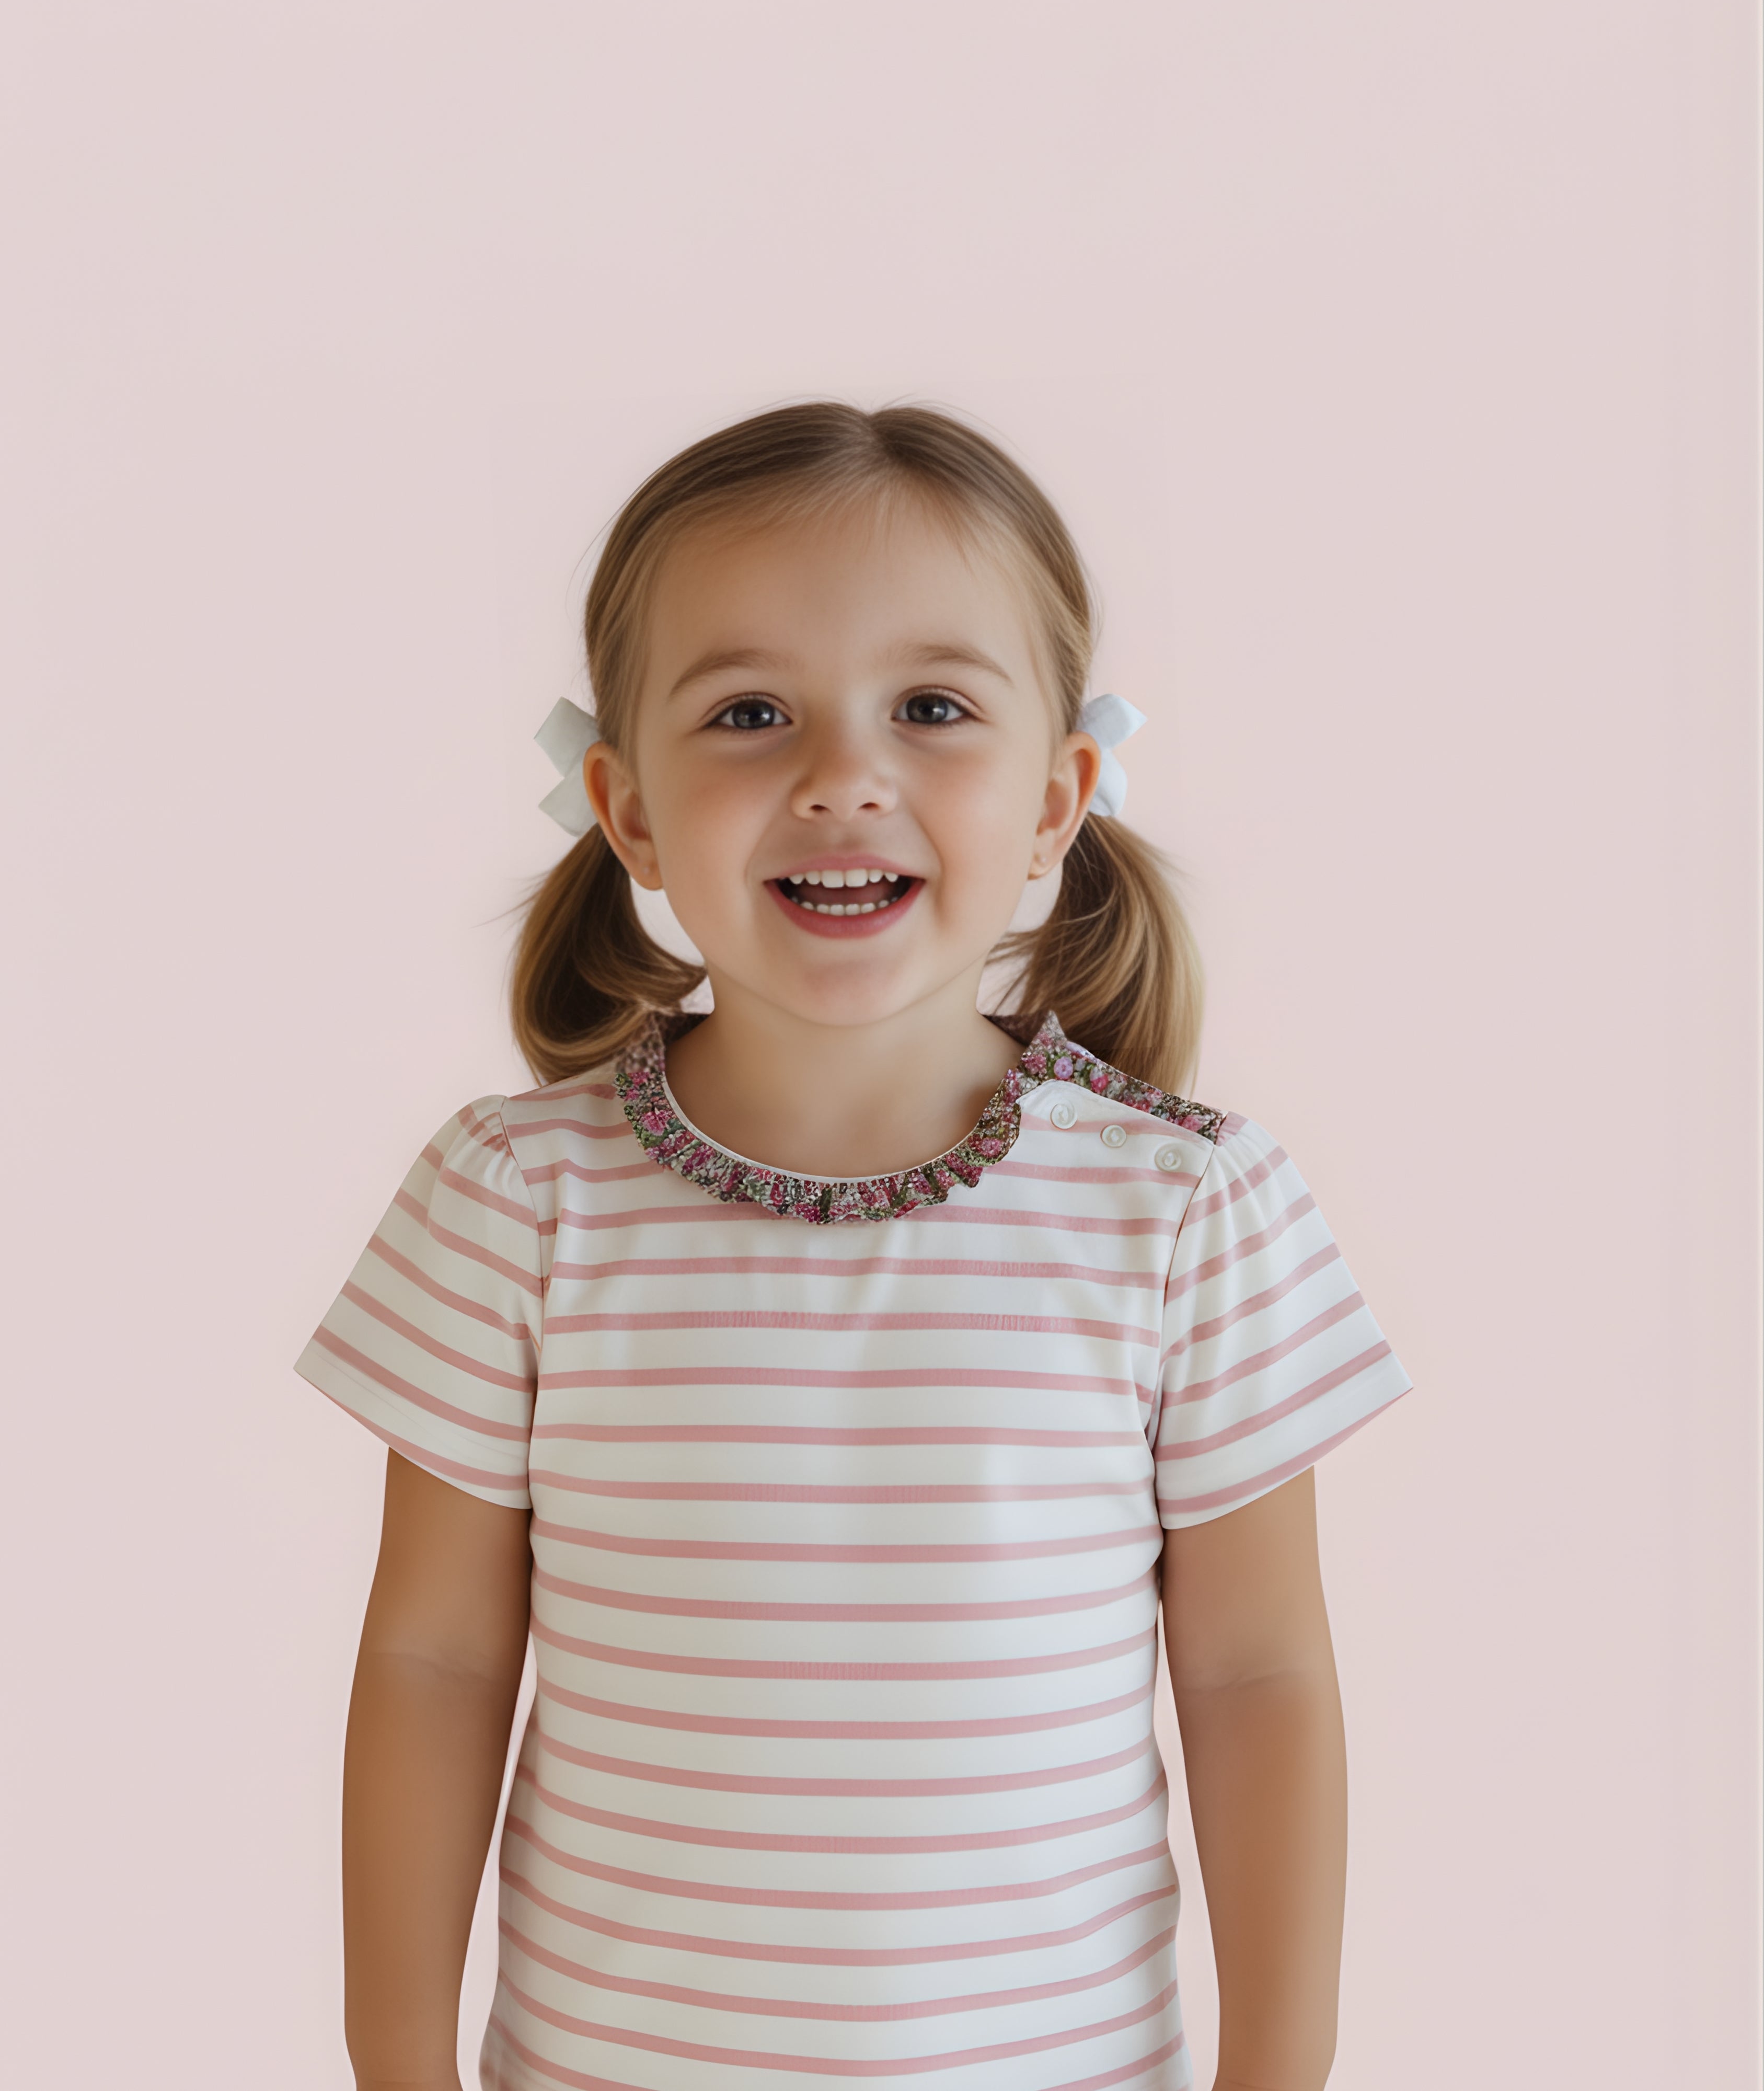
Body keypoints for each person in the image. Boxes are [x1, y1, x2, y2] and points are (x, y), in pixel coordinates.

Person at [296, 401, 1412, 2091]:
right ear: (630, 809)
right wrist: (398, 2065)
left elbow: (1259, 1673)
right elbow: (435, 1653)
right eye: (750, 712)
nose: (842, 776)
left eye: (932, 708)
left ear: (1058, 800)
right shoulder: (514, 1201)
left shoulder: (1189, 1211)